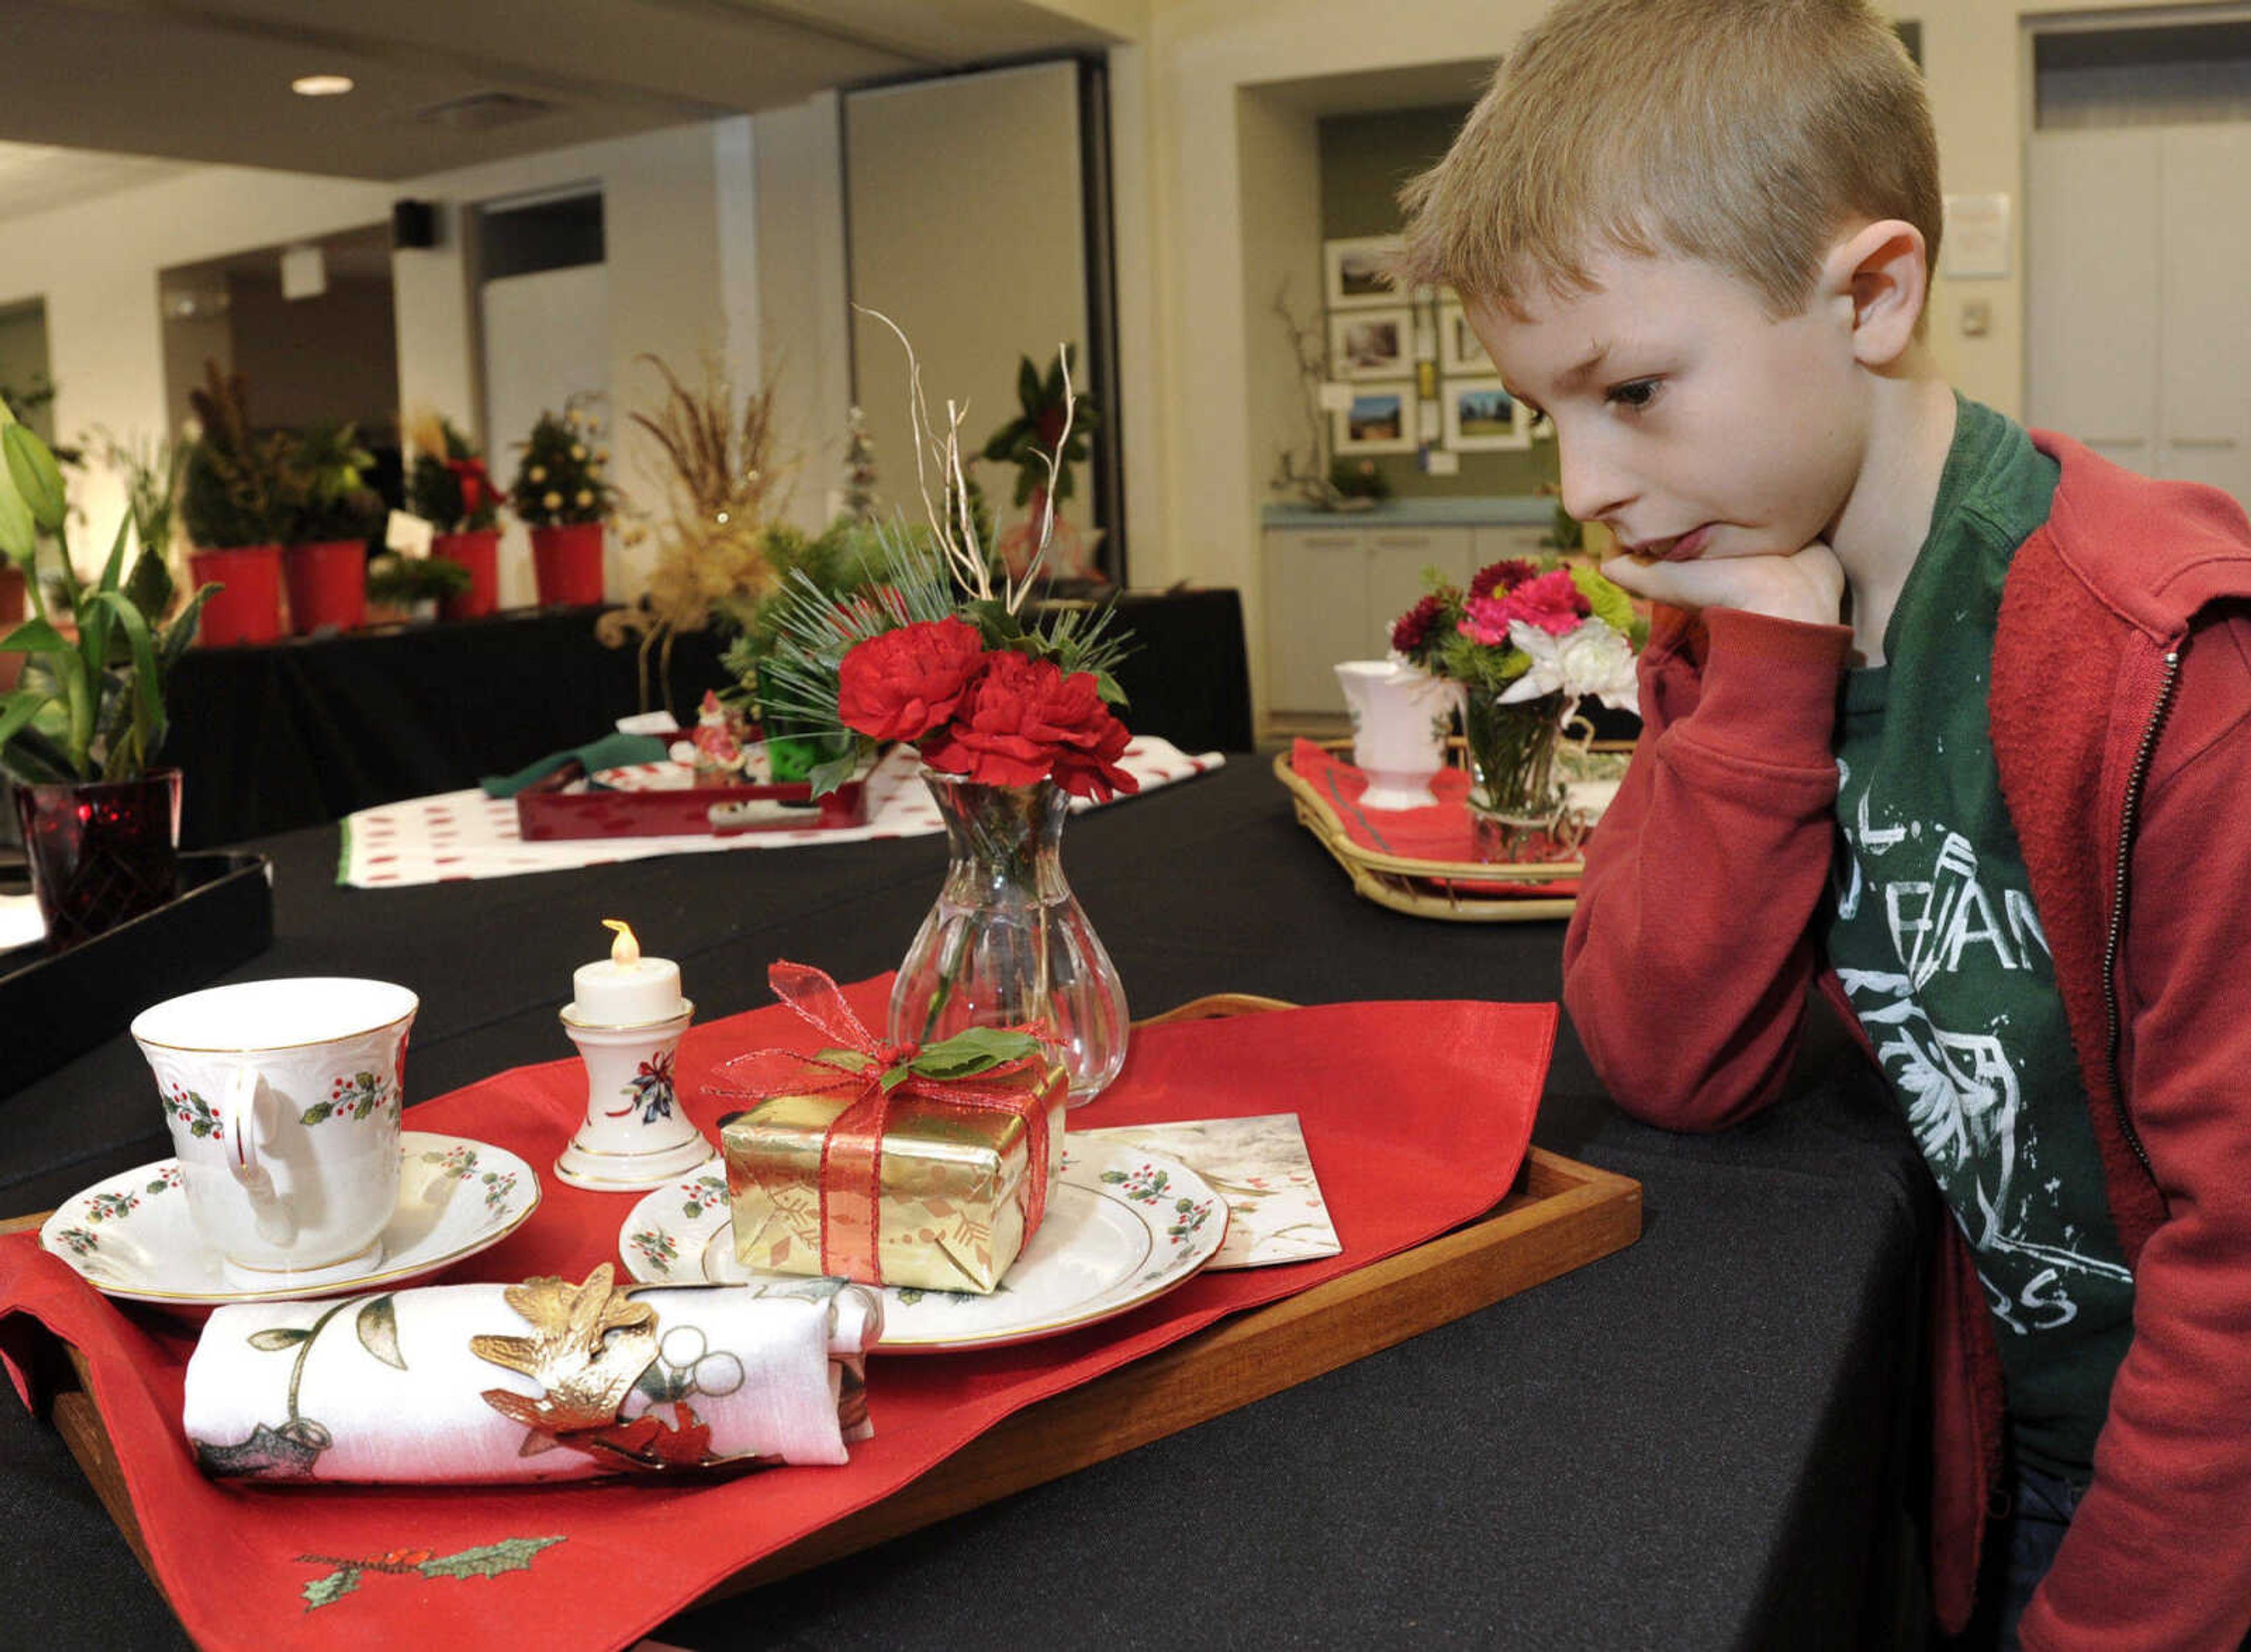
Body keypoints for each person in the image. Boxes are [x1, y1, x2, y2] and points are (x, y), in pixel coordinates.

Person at [1398, 1, 2251, 1647]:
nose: (1583, 483)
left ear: (1874, 292)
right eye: (1545, 412)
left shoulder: (2166, 664)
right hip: (1998, 1434)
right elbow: (1669, 1054)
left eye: (1633, 388)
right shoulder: (1743, 588)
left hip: (2178, 1492)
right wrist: (1770, 670)